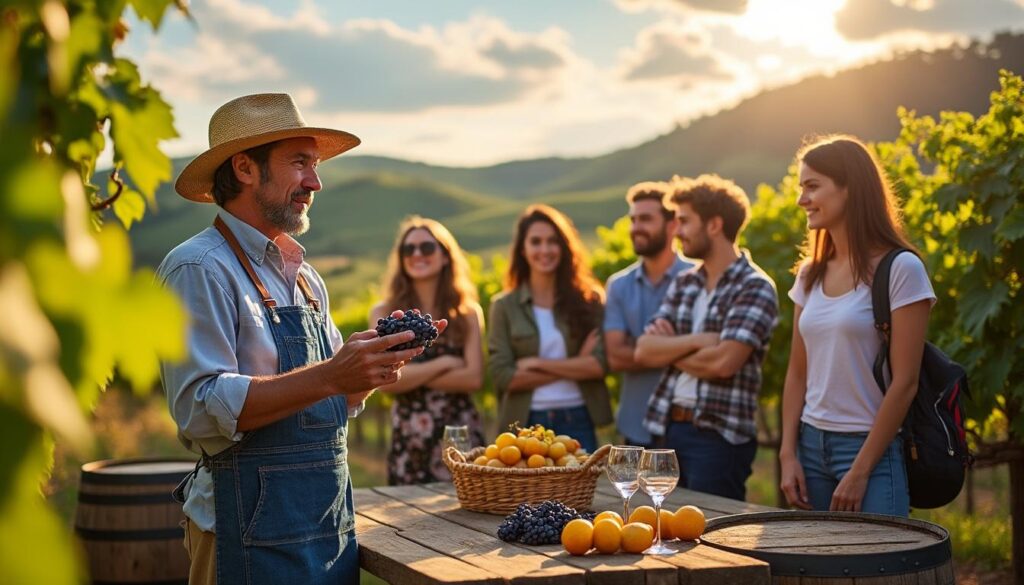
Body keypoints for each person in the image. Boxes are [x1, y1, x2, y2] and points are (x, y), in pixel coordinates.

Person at [158, 93, 444, 584]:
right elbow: (200, 409)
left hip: (326, 528)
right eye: (299, 163)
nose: (315, 181)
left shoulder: (307, 279)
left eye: (315, 165)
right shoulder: (198, 268)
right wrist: (333, 374)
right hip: (243, 532)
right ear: (245, 168)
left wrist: (369, 370)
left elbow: (330, 400)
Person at [779, 135, 935, 517]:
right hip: (810, 448)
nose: (801, 200)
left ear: (850, 188)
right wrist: (787, 454)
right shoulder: (809, 274)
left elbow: (905, 382)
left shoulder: (902, 269)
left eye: (812, 186)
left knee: (881, 554)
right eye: (801, 188)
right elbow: (797, 372)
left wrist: (861, 470)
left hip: (870, 450)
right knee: (818, 557)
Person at [635, 174, 778, 501]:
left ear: (714, 225)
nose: (677, 231)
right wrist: (699, 340)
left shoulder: (754, 286)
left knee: (709, 529)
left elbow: (724, 363)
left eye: (684, 221)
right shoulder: (685, 282)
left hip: (718, 438)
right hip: (668, 429)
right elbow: (643, 351)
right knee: (663, 524)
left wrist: (670, 349)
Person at [369, 217, 485, 485]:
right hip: (410, 435)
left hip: (459, 433)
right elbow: (385, 382)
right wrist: (446, 363)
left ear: (445, 256)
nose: (417, 254)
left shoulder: (468, 313)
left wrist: (410, 374)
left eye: (427, 247)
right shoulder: (385, 313)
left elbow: (473, 379)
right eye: (408, 249)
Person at [487, 204, 611, 453]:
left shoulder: (590, 300)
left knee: (581, 480)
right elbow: (503, 376)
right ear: (523, 249)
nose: (545, 249)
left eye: (552, 241)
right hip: (525, 422)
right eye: (536, 242)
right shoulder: (503, 306)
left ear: (564, 247)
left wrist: (536, 363)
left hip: (578, 418)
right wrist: (576, 365)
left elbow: (598, 365)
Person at [604, 182, 692, 448]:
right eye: (633, 220)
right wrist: (682, 348)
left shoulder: (698, 278)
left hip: (689, 427)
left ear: (672, 225)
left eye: (645, 219)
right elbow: (615, 356)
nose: (635, 227)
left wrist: (644, 347)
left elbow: (715, 352)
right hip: (636, 425)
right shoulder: (618, 285)